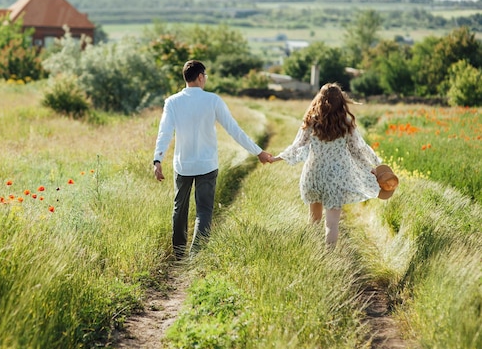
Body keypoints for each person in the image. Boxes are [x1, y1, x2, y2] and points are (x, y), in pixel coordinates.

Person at [153, 60, 273, 259]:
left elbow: (164, 133)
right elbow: (234, 130)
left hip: (183, 165)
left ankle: (180, 253)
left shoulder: (172, 102)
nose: (205, 80)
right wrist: (258, 152)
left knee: (179, 208)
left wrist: (157, 160)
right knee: (204, 210)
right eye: (205, 76)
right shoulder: (213, 100)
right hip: (207, 165)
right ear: (200, 77)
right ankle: (197, 254)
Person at [270, 83, 383, 246]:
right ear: (341, 102)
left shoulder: (311, 120)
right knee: (332, 224)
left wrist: (276, 158)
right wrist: (373, 166)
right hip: (336, 178)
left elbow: (297, 145)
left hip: (313, 174)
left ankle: (315, 256)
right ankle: (328, 257)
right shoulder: (346, 123)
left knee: (313, 220)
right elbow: (357, 150)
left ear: (320, 100)